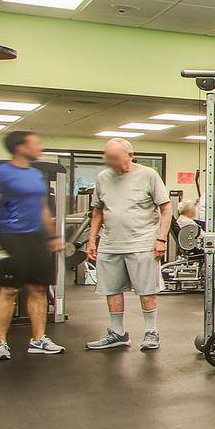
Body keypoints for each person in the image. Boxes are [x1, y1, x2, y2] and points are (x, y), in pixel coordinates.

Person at [0, 129, 66, 360]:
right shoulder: (0, 174)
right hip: (10, 236)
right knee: (9, 290)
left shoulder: (36, 175)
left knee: (38, 288)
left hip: (35, 238)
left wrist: (53, 236)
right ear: (20, 148)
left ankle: (38, 339)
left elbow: (43, 208)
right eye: (35, 144)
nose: (40, 148)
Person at [84, 137, 172, 351]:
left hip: (142, 243)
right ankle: (117, 333)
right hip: (110, 243)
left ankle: (151, 332)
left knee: (147, 290)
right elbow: (97, 211)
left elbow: (166, 209)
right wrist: (91, 240)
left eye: (114, 157)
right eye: (108, 157)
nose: (110, 161)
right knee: (111, 290)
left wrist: (161, 239)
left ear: (130, 155)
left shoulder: (148, 175)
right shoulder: (103, 177)